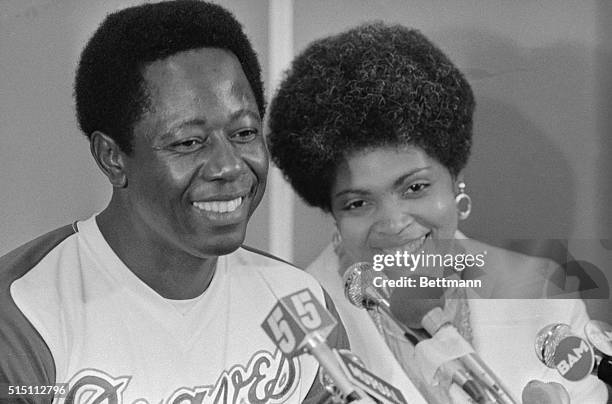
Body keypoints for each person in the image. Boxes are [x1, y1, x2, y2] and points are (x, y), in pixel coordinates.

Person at [0, 2, 349, 403]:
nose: (229, 167)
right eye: (188, 142)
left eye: (244, 133)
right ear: (112, 158)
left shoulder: (297, 301)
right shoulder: (24, 313)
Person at [267, 22, 608, 403]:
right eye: (358, 203)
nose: (394, 224)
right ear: (332, 211)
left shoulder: (544, 297)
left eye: (415, 187)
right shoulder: (301, 328)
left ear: (455, 178)